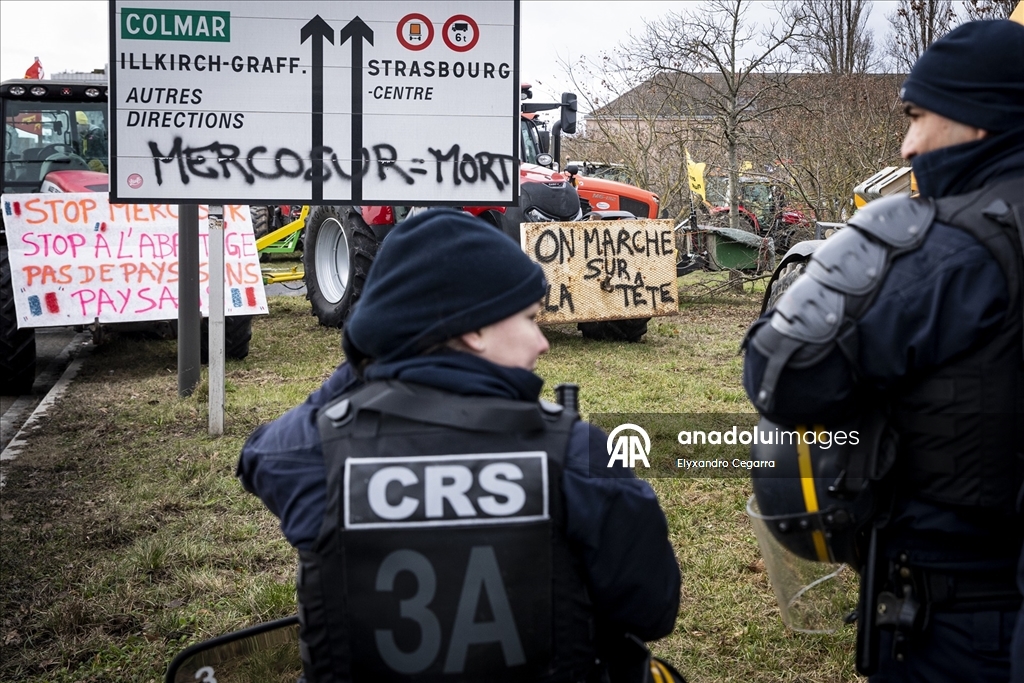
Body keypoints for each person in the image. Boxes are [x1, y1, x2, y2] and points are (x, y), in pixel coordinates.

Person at [237, 208, 681, 682]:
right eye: (530, 319)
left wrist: (371, 356)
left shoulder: (314, 453)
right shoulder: (578, 454)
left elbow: (258, 457)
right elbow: (651, 610)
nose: (542, 342)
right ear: (473, 328)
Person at [741, 19, 1024, 683]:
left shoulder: (954, 248)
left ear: (981, 116)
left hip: (963, 610)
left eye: (920, 116)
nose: (909, 142)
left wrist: (869, 243)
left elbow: (781, 372)